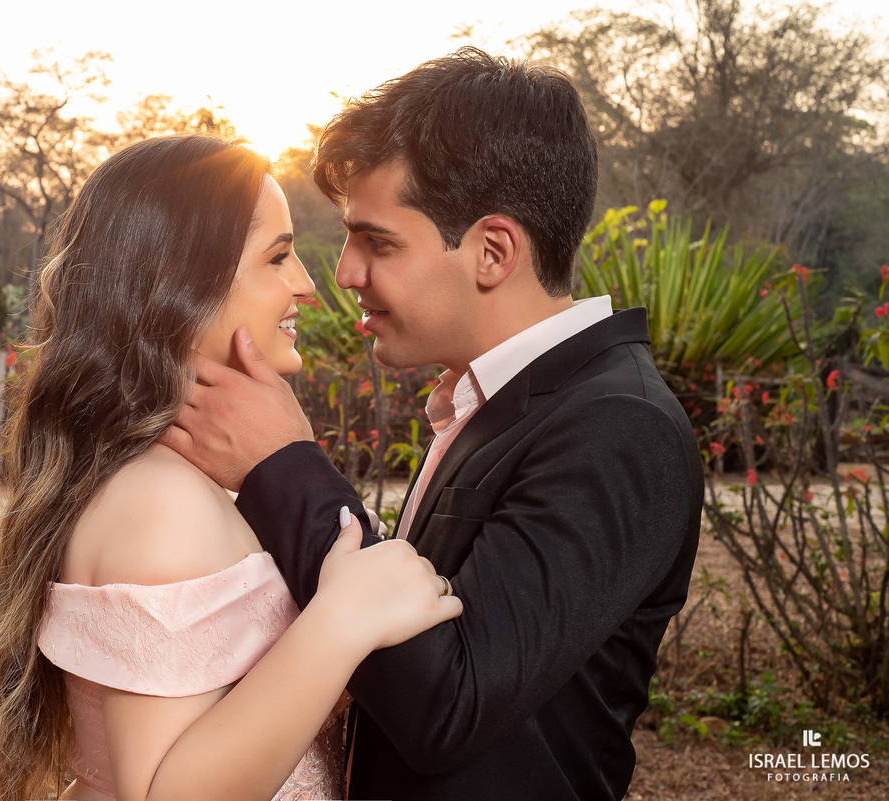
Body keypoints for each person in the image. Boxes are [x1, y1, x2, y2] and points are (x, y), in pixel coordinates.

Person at [162, 49, 704, 800]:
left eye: (378, 242)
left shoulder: (619, 427)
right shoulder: (491, 400)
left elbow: (450, 705)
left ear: (493, 252)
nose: (344, 273)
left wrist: (282, 465)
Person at [0, 134, 462, 801]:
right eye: (277, 257)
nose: (307, 284)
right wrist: (343, 619)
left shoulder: (172, 478)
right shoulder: (160, 501)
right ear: (179, 282)